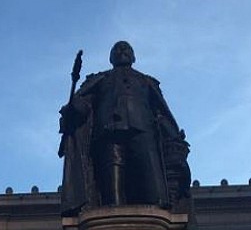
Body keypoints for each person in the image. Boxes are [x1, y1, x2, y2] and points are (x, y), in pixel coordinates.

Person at [59, 41, 191, 216]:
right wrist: (73, 107)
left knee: (152, 179)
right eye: (118, 49)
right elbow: (83, 107)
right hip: (108, 132)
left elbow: (162, 113)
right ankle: (113, 215)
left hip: (143, 131)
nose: (122, 51)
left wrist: (174, 138)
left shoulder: (147, 81)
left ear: (134, 57)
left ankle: (158, 215)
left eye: (127, 49)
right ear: (111, 58)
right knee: (112, 178)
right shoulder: (98, 80)